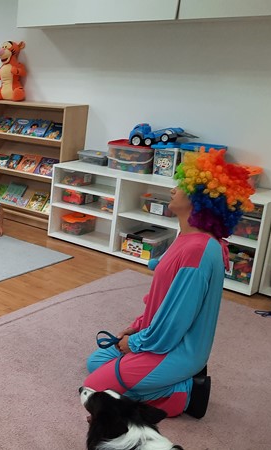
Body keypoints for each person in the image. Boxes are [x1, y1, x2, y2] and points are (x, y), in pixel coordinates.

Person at [83, 149, 255, 419]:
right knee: (96, 362)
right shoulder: (187, 237)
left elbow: (176, 320)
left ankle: (182, 391)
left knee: (94, 389)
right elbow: (162, 299)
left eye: (182, 186)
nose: (173, 190)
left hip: (177, 350)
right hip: (159, 339)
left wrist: (136, 342)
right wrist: (138, 326)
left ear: (199, 199)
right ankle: (158, 386)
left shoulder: (198, 249)